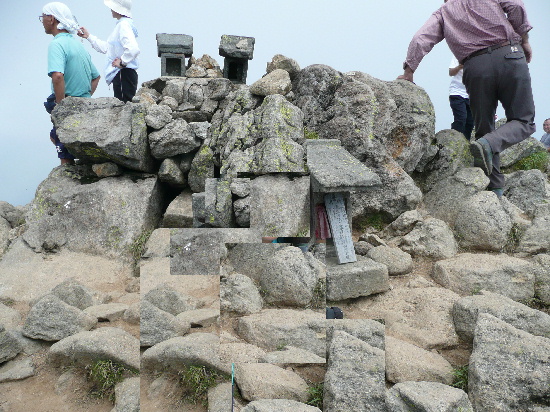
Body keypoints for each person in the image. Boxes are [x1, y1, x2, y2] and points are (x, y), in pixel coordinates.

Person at [398, 0, 536, 198]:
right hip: (509, 55)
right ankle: (489, 147)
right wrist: (524, 38)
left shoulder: (444, 12)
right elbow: (515, 5)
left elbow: (421, 38)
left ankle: (495, 188)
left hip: (475, 67)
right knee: (524, 120)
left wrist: (409, 71)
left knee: (484, 129)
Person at [41, 2, 101, 165]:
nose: (42, 21)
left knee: (64, 152)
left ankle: (67, 175)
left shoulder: (56, 44)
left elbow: (57, 76)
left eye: (43, 17)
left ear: (51, 19)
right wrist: (83, 97)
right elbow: (96, 77)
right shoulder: (78, 45)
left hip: (66, 103)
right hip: (84, 104)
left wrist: (61, 105)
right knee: (55, 136)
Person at [78, 0, 140, 103]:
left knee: (124, 105)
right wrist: (88, 36)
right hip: (124, 74)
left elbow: (133, 49)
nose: (111, 9)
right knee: (124, 105)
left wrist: (122, 62)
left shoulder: (123, 25)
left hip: (123, 73)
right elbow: (108, 48)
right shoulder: (123, 25)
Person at [448, 57, 473, 140]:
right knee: (461, 119)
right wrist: (459, 67)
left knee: (470, 122)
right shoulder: (457, 56)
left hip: (471, 94)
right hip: (456, 93)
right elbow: (451, 72)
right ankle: (454, 140)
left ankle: (466, 142)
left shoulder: (477, 57)